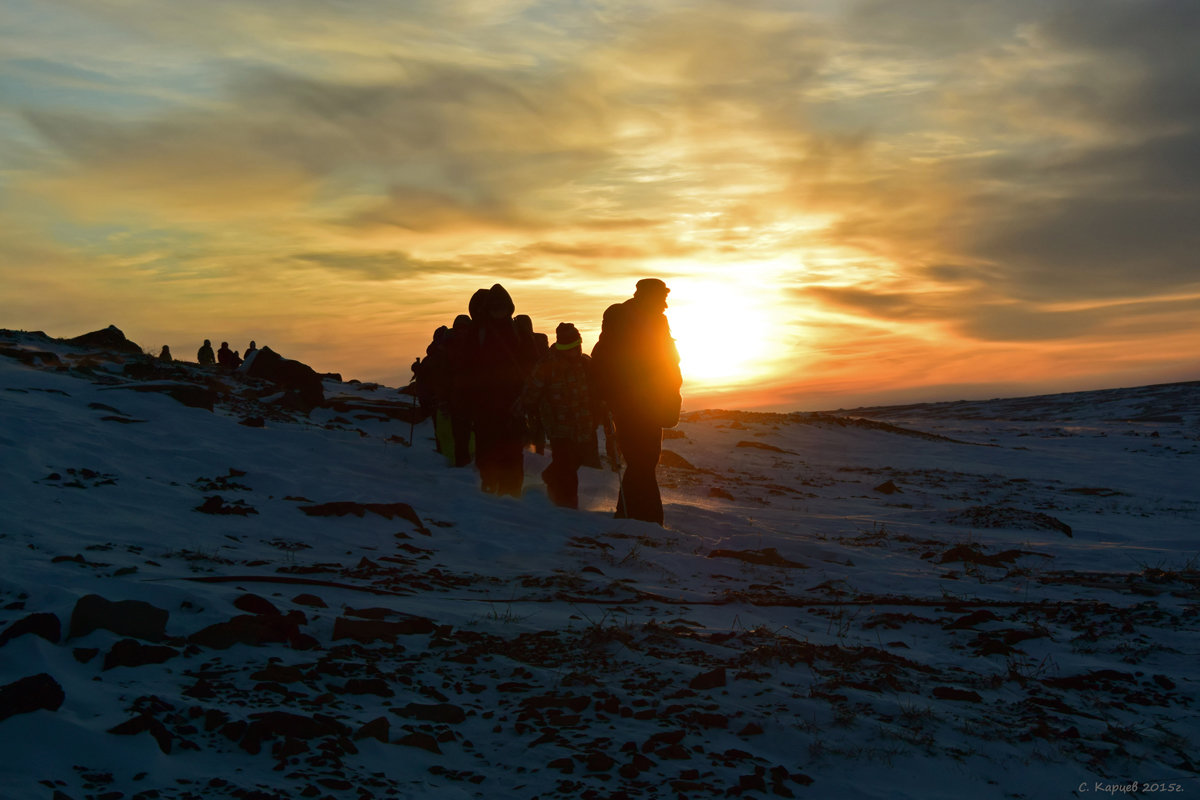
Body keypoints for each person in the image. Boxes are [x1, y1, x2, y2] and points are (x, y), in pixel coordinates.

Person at [590, 278, 682, 525]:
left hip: (653, 402)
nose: (665, 302)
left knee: (645, 460)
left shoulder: (657, 319)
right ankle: (644, 519)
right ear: (649, 296)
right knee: (641, 460)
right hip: (630, 402)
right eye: (662, 296)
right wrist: (606, 395)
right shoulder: (621, 315)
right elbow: (605, 356)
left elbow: (667, 359)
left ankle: (632, 516)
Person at [523, 323, 597, 509]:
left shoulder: (585, 363)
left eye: (576, 345)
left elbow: (596, 389)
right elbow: (532, 390)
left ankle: (550, 477)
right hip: (558, 425)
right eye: (569, 347)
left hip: (582, 423)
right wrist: (525, 410)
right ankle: (567, 507)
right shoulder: (547, 365)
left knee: (574, 461)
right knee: (567, 468)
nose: (573, 351)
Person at [467, 284, 531, 497]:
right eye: (495, 308)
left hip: (512, 402)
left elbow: (530, 362)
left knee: (512, 449)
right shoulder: (479, 332)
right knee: (488, 447)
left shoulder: (517, 331)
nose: (499, 312)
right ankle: (490, 486)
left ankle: (511, 492)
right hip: (486, 402)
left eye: (502, 308)